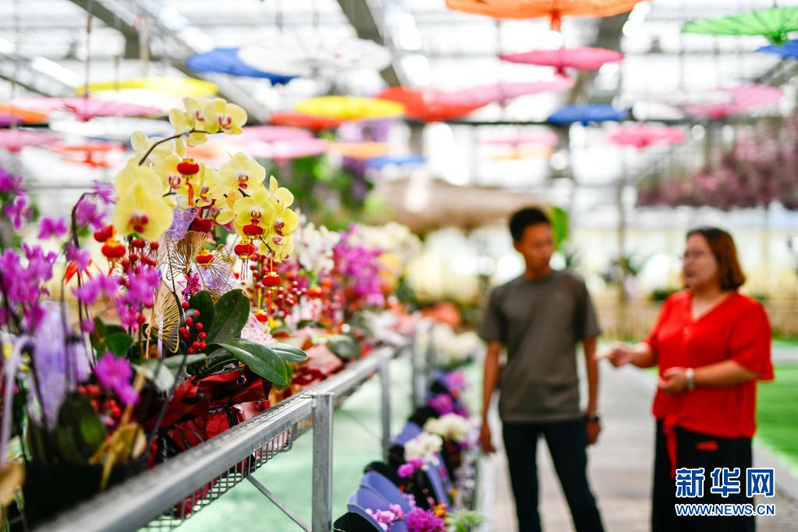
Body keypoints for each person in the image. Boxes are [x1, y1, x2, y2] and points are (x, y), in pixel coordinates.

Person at [601, 227, 774, 532]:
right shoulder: (676, 303)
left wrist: (693, 378)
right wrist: (630, 354)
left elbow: (750, 366)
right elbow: (654, 347)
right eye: (685, 255)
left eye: (697, 254)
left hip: (720, 435)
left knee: (718, 519)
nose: (687, 262)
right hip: (674, 428)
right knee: (673, 516)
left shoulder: (746, 311)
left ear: (723, 258)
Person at [478, 207, 605, 532]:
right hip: (516, 412)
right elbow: (492, 356)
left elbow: (591, 351)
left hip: (563, 410)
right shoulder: (502, 295)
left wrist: (591, 411)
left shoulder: (573, 287)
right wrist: (484, 418)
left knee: (580, 498)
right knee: (526, 507)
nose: (546, 251)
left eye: (549, 242)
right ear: (517, 245)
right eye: (537, 244)